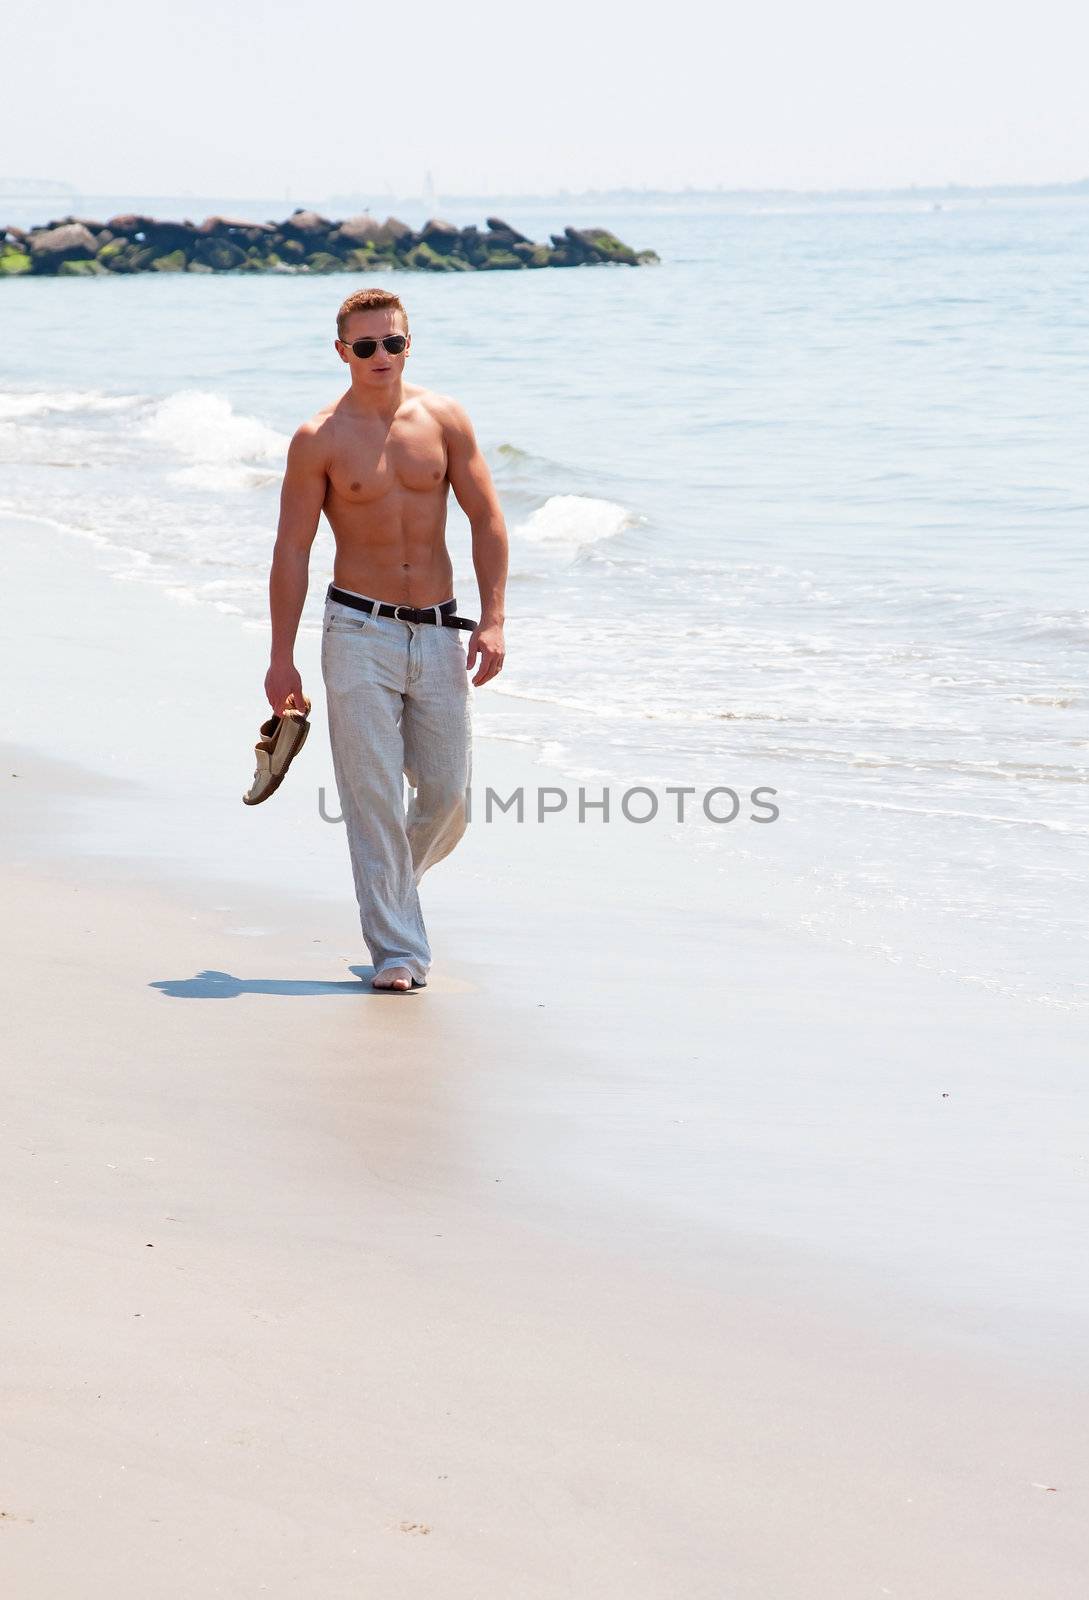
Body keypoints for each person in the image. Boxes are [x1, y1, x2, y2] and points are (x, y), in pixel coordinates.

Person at [265, 286, 508, 991]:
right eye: (365, 345)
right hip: (355, 630)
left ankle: (390, 887)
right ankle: (399, 951)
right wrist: (281, 657)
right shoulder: (319, 439)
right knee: (369, 793)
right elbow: (291, 551)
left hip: (438, 631)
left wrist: (493, 618)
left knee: (449, 797)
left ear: (409, 344)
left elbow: (487, 521)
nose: (380, 356)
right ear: (341, 351)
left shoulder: (444, 419)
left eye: (392, 343)